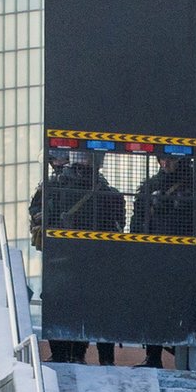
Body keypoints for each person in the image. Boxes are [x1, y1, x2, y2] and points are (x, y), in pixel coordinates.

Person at [131, 153, 196, 367]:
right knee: (154, 306)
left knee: (187, 309)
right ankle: (153, 357)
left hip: (187, 258)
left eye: (171, 159)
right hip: (158, 256)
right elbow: (136, 223)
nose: (166, 163)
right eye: (162, 159)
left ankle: (187, 359)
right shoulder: (149, 187)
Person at [45, 150, 125, 364]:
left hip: (77, 260)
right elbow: (38, 219)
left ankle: (88, 357)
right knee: (68, 304)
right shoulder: (53, 188)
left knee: (91, 306)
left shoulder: (108, 193)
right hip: (71, 259)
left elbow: (118, 227)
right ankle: (69, 355)